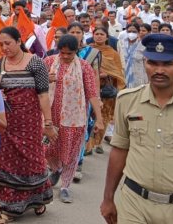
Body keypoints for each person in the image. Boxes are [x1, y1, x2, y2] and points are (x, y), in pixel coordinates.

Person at [100, 34, 173, 224]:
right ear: (145, 62)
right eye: (153, 63)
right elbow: (119, 150)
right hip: (133, 203)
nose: (159, 70)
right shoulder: (127, 100)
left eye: (168, 64)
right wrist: (108, 198)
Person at [0, 26, 54, 218]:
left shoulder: (36, 64)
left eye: (8, 43)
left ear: (19, 41)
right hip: (6, 123)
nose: (4, 47)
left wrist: (49, 123)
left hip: (29, 123)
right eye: (1, 44)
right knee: (6, 161)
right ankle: (10, 205)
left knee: (31, 159)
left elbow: (43, 94)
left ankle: (38, 199)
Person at [43, 35, 104, 204]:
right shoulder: (48, 62)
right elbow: (36, 85)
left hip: (74, 118)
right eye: (62, 53)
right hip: (50, 116)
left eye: (69, 54)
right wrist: (45, 80)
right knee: (47, 149)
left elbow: (92, 93)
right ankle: (55, 169)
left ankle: (65, 187)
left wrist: (99, 119)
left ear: (76, 51)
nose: (65, 57)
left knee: (70, 150)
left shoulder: (84, 67)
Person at [87, 27, 126, 155]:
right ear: (93, 35)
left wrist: (106, 74)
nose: (99, 36)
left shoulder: (112, 53)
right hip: (90, 87)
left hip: (106, 90)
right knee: (90, 116)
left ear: (107, 37)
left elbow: (118, 72)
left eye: (101, 34)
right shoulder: (88, 50)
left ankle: (98, 143)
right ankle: (88, 144)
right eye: (96, 34)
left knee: (103, 117)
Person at [119, 24, 148, 88]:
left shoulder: (143, 45)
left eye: (134, 32)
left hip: (138, 75)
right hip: (123, 74)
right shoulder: (121, 44)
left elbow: (146, 62)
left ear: (138, 32)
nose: (131, 33)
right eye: (129, 31)